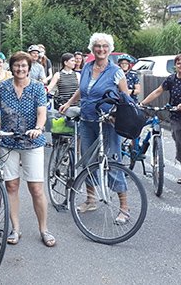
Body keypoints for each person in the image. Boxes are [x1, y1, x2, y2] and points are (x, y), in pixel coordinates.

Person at [0, 51, 55, 247]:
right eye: (16, 65)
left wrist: (38, 128)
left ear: (29, 68)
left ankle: (44, 229)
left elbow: (42, 112)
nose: (20, 69)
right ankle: (15, 229)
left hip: (32, 143)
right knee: (11, 186)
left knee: (36, 188)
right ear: (11, 67)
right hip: (8, 142)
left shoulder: (38, 88)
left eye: (24, 66)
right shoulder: (3, 87)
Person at [58, 33, 132, 224]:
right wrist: (68, 103)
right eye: (97, 46)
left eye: (104, 46)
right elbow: (82, 90)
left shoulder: (116, 71)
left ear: (110, 49)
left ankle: (124, 206)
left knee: (113, 160)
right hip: (87, 119)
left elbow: (125, 97)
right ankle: (91, 199)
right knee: (88, 161)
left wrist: (119, 115)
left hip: (108, 122)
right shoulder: (87, 67)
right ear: (92, 48)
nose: (101, 49)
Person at [140, 53, 181, 184]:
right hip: (176, 115)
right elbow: (158, 91)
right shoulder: (171, 79)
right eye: (179, 63)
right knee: (180, 143)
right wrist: (143, 103)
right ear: (175, 66)